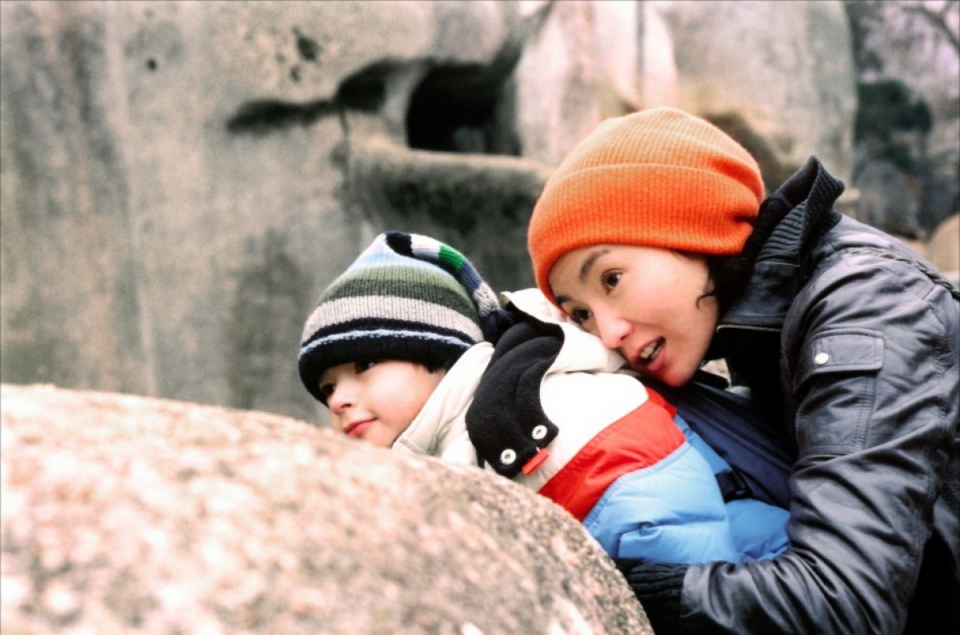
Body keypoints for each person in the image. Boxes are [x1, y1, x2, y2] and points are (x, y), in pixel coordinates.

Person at [527, 106, 960, 634]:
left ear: (693, 230)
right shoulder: (760, 324)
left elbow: (844, 603)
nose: (608, 332)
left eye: (611, 279)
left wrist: (613, 590)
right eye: (580, 314)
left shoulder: (865, 307)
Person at [298, 230, 789, 565]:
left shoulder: (532, 410)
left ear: (438, 353)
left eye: (364, 365)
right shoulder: (458, 444)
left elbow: (660, 522)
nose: (339, 400)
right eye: (327, 388)